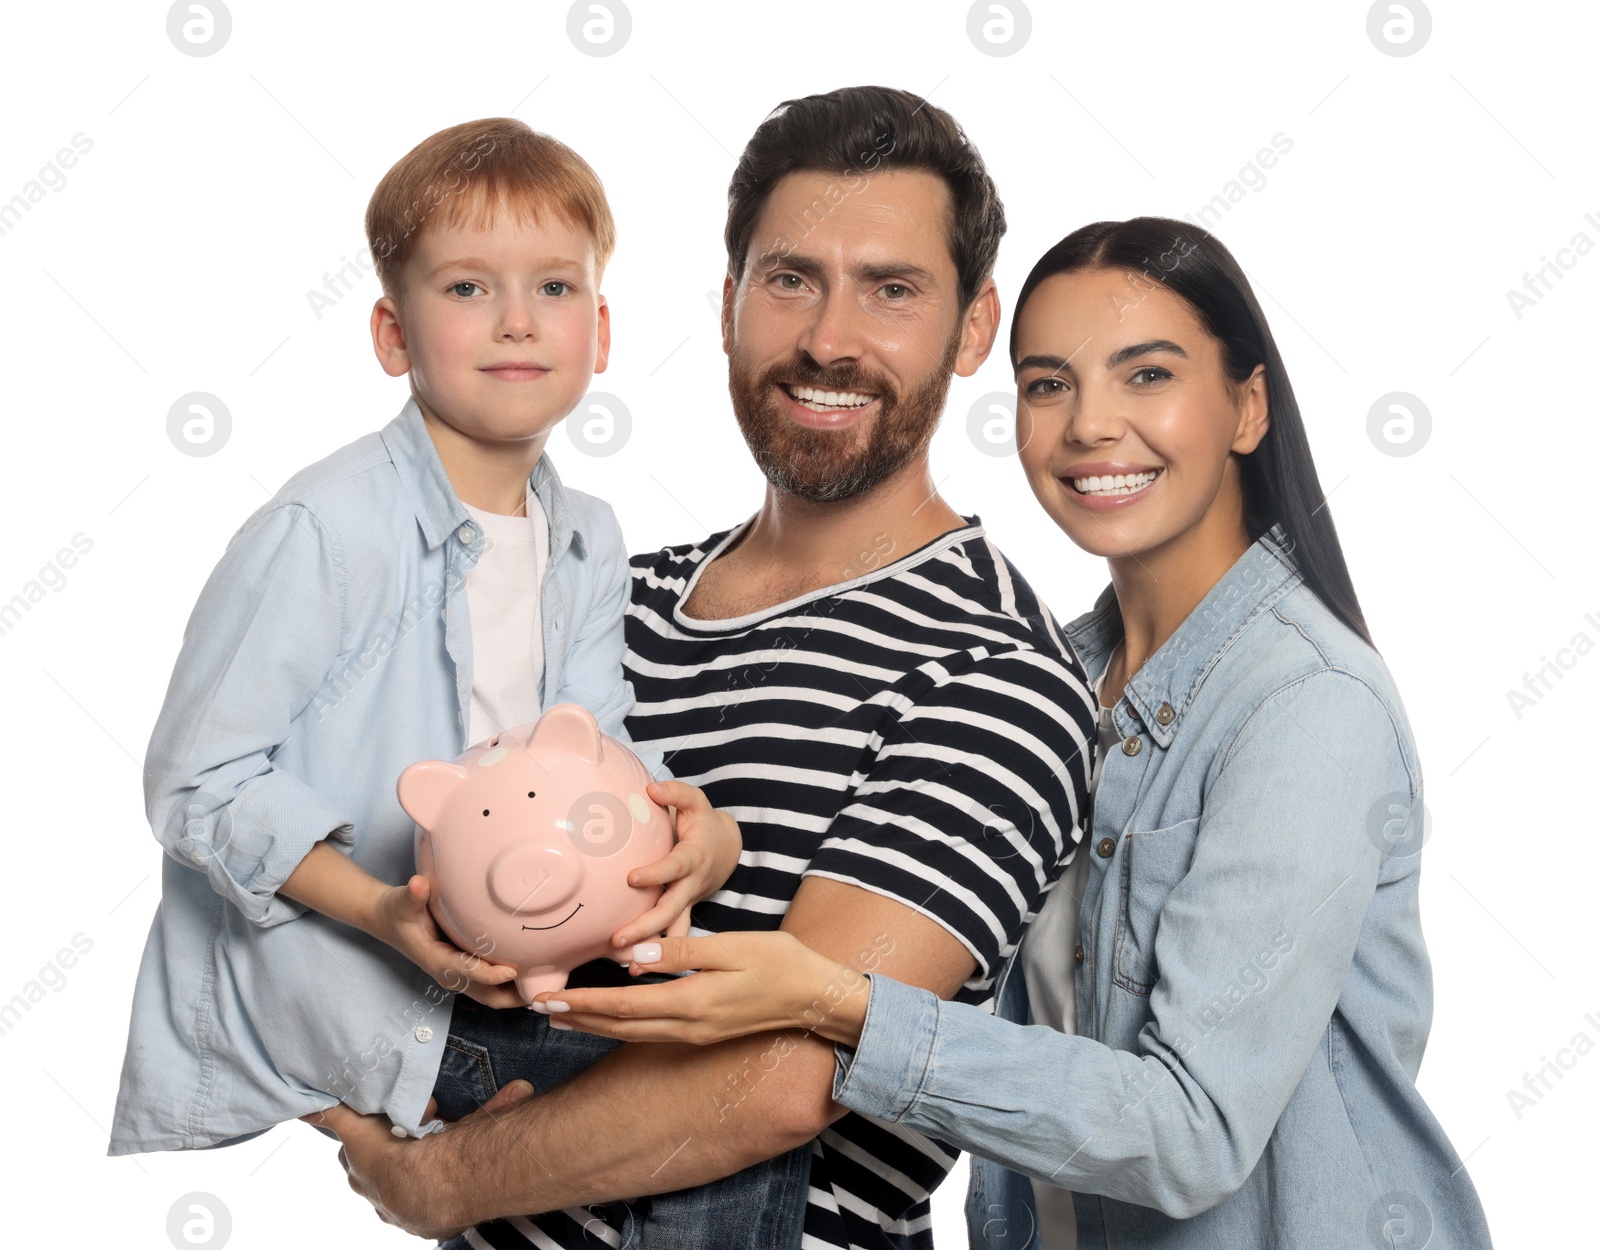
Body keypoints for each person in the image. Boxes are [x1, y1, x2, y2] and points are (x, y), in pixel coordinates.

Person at [524, 218, 1497, 1250]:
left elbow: (1190, 1132)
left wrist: (844, 1002)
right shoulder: (1053, 675)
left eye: (1146, 374)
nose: (1089, 426)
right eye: (1047, 384)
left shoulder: (1305, 704)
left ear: (1246, 406)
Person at [313, 87, 1098, 1250]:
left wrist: (446, 1180)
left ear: (973, 328)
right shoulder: (597, 596)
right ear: (728, 303)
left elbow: (784, 1079)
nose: (829, 338)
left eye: (891, 289)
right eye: (790, 279)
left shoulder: (992, 673)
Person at [107, 117, 746, 1181]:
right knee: (707, 1107)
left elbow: (599, 742)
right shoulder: (327, 528)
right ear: (392, 333)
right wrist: (386, 914)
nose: (513, 321)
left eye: (552, 288)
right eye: (464, 288)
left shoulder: (585, 532)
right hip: (369, 986)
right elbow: (195, 781)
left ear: (600, 327)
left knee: (757, 1069)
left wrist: (695, 836)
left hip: (524, 943)